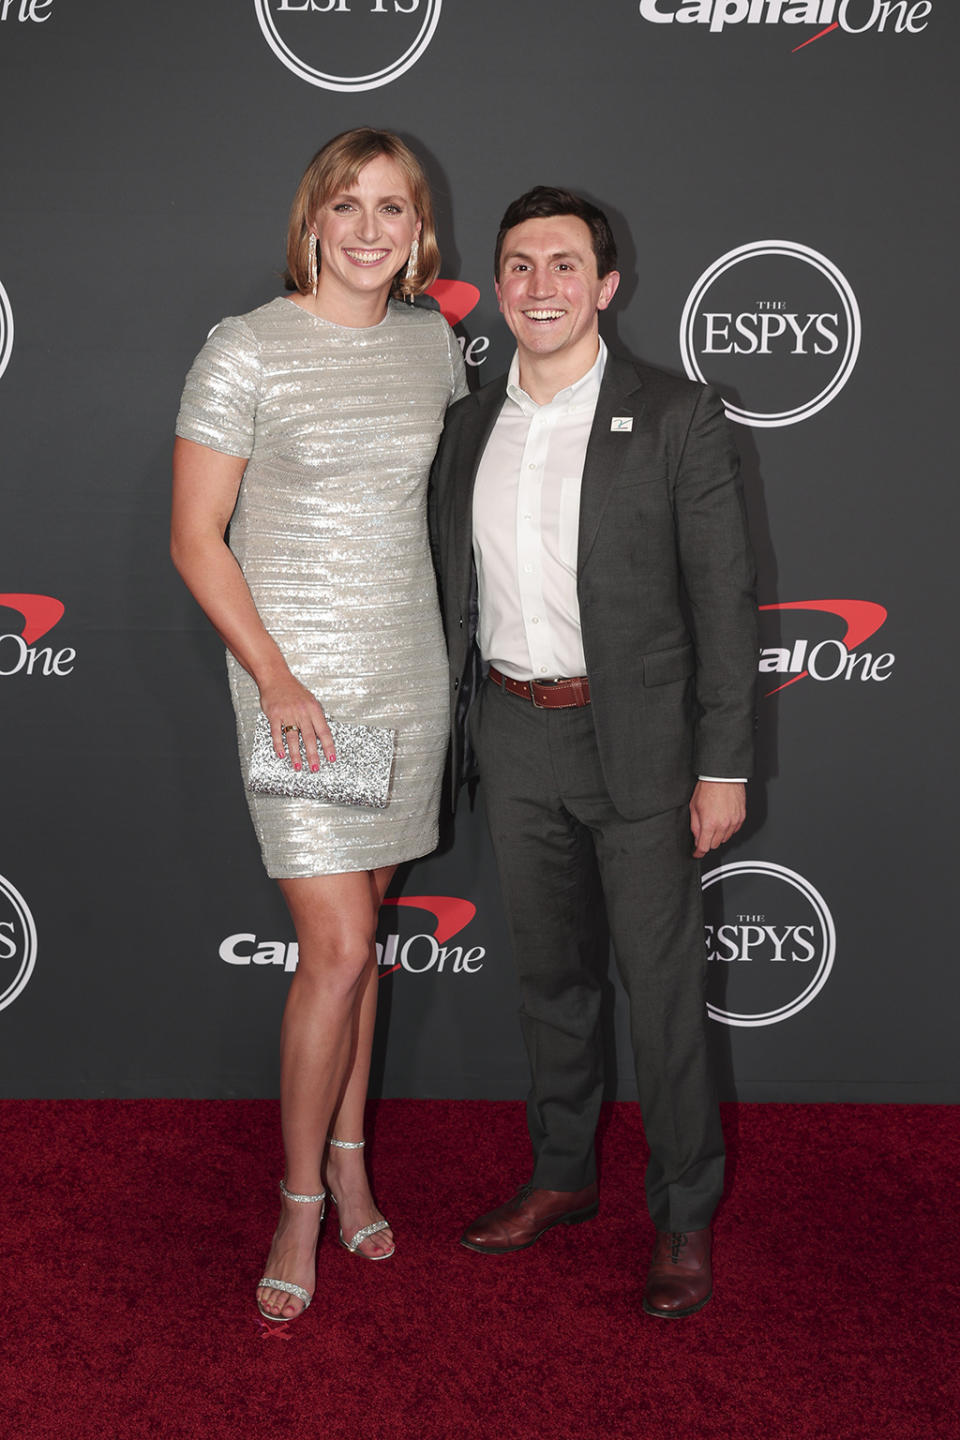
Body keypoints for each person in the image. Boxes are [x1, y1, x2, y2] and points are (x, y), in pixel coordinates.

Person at [430, 187, 757, 1318]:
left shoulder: (677, 416)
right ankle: (563, 1176)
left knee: (663, 992)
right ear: (500, 285)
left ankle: (680, 1216)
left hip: (644, 750)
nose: (539, 286)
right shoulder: (468, 420)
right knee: (549, 983)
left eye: (563, 265)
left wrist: (723, 765)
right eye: (519, 265)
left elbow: (725, 602)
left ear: (605, 286)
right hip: (514, 733)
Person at [171, 128, 467, 1323]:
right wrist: (279, 678)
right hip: (294, 681)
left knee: (364, 940)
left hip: (405, 669)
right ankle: (301, 1194)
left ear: (417, 234)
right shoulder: (244, 349)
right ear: (312, 220)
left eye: (390, 210)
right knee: (338, 948)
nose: (366, 228)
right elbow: (197, 539)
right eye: (346, 205)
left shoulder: (433, 346)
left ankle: (352, 1158)